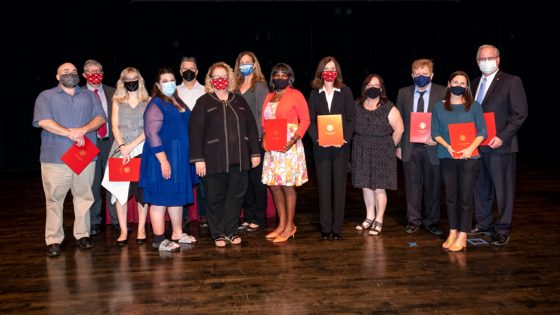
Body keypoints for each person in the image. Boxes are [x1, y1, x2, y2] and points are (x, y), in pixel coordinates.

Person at [33, 62, 107, 256]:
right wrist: (70, 133)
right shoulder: (46, 96)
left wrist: (82, 130)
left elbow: (100, 118)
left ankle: (82, 234)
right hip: (55, 157)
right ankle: (54, 240)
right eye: (65, 71)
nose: (70, 73)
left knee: (84, 197)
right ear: (57, 76)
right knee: (54, 199)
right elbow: (43, 121)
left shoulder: (90, 96)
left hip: (84, 156)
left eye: (74, 71)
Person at [189, 61, 261, 247]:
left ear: (229, 79)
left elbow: (252, 128)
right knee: (215, 198)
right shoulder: (203, 102)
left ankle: (231, 230)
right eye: (216, 77)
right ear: (210, 80)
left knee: (236, 196)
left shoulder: (239, 100)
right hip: (213, 161)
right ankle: (218, 233)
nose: (220, 80)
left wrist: (254, 152)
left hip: (240, 159)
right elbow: (195, 133)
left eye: (223, 76)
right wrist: (198, 159)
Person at [470, 44, 529, 246]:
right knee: (481, 187)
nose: (486, 62)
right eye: (482, 59)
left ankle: (503, 228)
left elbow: (520, 114)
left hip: (500, 146)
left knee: (503, 189)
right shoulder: (474, 82)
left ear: (498, 60)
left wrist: (502, 136)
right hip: (478, 145)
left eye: (490, 58)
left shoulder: (512, 81)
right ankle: (484, 223)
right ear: (477, 62)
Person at [139, 67, 197, 252]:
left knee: (176, 197)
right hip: (162, 157)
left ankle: (177, 233)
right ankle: (158, 239)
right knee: (159, 198)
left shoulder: (177, 101)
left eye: (171, 79)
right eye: (164, 81)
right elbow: (152, 134)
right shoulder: (156, 104)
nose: (169, 83)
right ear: (157, 85)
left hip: (179, 157)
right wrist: (163, 160)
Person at [431, 71, 487, 252]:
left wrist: (470, 149)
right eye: (455, 82)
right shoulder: (439, 107)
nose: (458, 85)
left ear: (467, 87)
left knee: (465, 197)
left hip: (469, 157)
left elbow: (482, 132)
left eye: (463, 83)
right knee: (450, 197)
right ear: (448, 84)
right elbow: (435, 133)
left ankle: (463, 234)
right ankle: (453, 231)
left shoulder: (475, 106)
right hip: (447, 156)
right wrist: (447, 146)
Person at [396, 59, 446, 236]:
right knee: (412, 185)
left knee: (433, 186)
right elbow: (399, 121)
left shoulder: (442, 92)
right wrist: (399, 146)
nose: (421, 77)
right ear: (412, 75)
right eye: (417, 74)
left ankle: (432, 221)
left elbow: (448, 119)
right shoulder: (403, 93)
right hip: (410, 147)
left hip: (433, 146)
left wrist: (439, 139)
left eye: (425, 74)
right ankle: (413, 219)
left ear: (432, 75)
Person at [261, 63, 310, 243]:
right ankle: (281, 225)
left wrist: (293, 140)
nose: (280, 77)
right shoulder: (269, 96)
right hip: (272, 146)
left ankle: (290, 226)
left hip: (289, 144)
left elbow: (305, 120)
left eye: (284, 74)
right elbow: (264, 123)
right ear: (272, 77)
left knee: (287, 186)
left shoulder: (296, 95)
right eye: (277, 74)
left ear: (290, 77)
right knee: (274, 185)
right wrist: (264, 138)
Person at [307, 56, 355, 240]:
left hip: (341, 147)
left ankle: (337, 229)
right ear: (321, 72)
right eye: (326, 68)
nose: (329, 71)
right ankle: (325, 228)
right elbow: (310, 121)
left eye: (333, 68)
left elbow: (351, 119)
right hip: (321, 147)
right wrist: (317, 138)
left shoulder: (346, 92)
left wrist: (345, 138)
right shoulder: (314, 94)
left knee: (339, 188)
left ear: (337, 73)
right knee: (324, 188)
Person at [352, 74, 404, 236]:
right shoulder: (356, 105)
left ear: (381, 88)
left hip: (382, 151)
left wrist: (389, 147)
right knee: (366, 185)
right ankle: (369, 216)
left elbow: (399, 129)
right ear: (364, 87)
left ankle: (379, 219)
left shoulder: (388, 107)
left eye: (377, 85)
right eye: (370, 85)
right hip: (361, 149)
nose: (373, 87)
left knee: (379, 188)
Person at [109, 67, 150, 245]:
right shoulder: (117, 100)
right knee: (120, 193)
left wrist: (132, 146)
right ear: (122, 81)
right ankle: (124, 231)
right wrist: (123, 146)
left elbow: (150, 128)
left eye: (134, 78)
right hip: (120, 151)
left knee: (142, 192)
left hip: (142, 150)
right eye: (128, 78)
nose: (131, 81)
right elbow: (114, 126)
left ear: (140, 80)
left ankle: (141, 228)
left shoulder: (147, 101)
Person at [234, 51, 269, 232]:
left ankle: (259, 218)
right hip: (239, 142)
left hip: (255, 141)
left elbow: (263, 116)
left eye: (249, 62)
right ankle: (247, 217)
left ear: (255, 65)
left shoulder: (260, 86)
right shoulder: (235, 86)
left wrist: (259, 139)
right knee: (243, 182)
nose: (245, 65)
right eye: (242, 62)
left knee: (257, 181)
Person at [82, 59, 118, 236]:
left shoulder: (113, 92)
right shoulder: (78, 94)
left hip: (110, 143)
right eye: (90, 71)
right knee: (93, 185)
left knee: (114, 183)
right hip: (88, 145)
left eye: (98, 70)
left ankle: (117, 219)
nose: (95, 73)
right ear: (84, 75)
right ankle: (95, 220)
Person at [176, 56, 208, 229]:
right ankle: (184, 215)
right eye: (184, 68)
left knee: (202, 179)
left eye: (191, 68)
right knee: (182, 177)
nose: (188, 71)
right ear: (180, 71)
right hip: (179, 142)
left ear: (197, 71)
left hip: (202, 141)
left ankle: (203, 214)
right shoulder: (172, 91)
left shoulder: (205, 90)